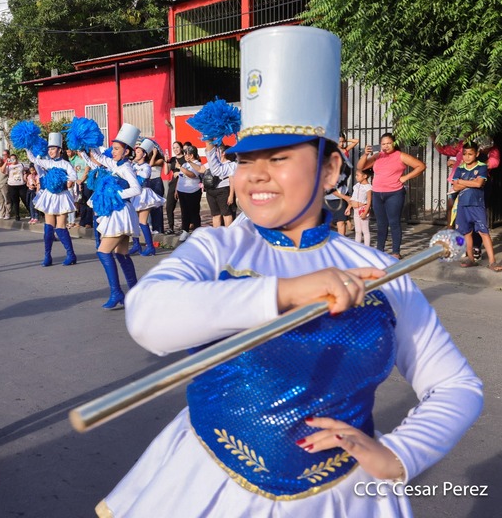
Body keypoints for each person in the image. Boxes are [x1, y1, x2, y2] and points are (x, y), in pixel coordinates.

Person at [98, 26, 482, 518]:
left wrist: (402, 453)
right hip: (209, 483)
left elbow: (455, 386)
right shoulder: (215, 248)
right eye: (244, 160)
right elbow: (148, 318)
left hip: (341, 497)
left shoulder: (381, 272)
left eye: (278, 158)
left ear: (329, 170)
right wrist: (284, 292)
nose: (255, 174)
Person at [80, 123, 142, 310]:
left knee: (103, 251)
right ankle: (135, 292)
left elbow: (136, 189)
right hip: (119, 213)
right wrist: (87, 142)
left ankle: (117, 292)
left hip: (120, 213)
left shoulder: (126, 168)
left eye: (116, 149)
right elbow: (98, 157)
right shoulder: (116, 164)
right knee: (121, 253)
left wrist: (114, 194)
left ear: (126, 152)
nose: (113, 151)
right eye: (113, 148)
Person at [357, 133, 426, 259]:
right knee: (381, 224)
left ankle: (395, 252)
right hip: (378, 193)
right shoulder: (378, 156)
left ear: (394, 143)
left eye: (389, 143)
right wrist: (366, 154)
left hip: (394, 193)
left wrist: (406, 177)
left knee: (394, 222)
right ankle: (379, 251)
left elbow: (421, 166)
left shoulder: (400, 155)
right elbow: (361, 167)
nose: (386, 146)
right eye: (383, 144)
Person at [25, 132, 78, 266]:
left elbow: (73, 176)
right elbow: (32, 158)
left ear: (59, 150)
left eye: (53, 148)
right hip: (49, 197)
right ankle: (47, 255)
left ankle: (71, 255)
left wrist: (68, 182)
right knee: (48, 227)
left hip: (62, 197)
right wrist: (26, 144)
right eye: (49, 149)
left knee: (60, 228)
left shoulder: (66, 164)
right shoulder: (47, 162)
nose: (50, 151)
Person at [452, 141, 500, 270]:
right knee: (467, 233)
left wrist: (462, 181)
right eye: (465, 154)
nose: (467, 157)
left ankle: (492, 262)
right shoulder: (460, 168)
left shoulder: (481, 167)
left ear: (477, 154)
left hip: (477, 205)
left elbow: (479, 184)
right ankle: (471, 259)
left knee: (483, 232)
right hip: (462, 205)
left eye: (470, 154)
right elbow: (455, 186)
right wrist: (470, 182)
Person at [128, 138, 165, 256]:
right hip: (134, 194)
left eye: (138, 152)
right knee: (134, 221)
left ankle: (150, 247)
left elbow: (141, 179)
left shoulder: (146, 167)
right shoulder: (132, 165)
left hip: (144, 194)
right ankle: (136, 244)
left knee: (143, 221)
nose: (136, 153)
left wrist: (132, 174)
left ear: (144, 154)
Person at [204, 143, 237, 228]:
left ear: (223, 153)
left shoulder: (230, 165)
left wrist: (231, 195)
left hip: (224, 191)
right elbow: (201, 169)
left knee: (226, 214)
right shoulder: (215, 164)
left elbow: (232, 180)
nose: (217, 152)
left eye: (218, 150)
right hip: (212, 191)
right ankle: (217, 236)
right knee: (215, 214)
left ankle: (228, 235)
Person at [176, 144, 203, 242]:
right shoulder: (184, 164)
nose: (184, 156)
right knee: (184, 212)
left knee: (194, 213)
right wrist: (176, 189)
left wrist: (180, 167)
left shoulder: (197, 164)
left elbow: (192, 175)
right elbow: (180, 176)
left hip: (193, 191)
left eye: (186, 154)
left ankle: (197, 232)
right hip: (181, 190)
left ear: (191, 155)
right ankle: (185, 231)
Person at [163, 141, 184, 234]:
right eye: (174, 148)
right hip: (173, 184)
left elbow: (189, 171)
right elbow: (166, 172)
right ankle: (170, 227)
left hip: (183, 184)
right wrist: (166, 161)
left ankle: (185, 228)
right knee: (169, 206)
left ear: (181, 148)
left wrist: (179, 171)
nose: (175, 149)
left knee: (184, 207)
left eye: (177, 147)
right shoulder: (172, 159)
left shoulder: (185, 159)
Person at [5, 152, 27, 221]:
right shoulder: (8, 167)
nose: (13, 160)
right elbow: (3, 171)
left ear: (16, 159)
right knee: (15, 201)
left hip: (21, 185)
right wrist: (6, 162)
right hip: (12, 185)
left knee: (25, 199)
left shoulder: (21, 165)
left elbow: (28, 169)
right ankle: (17, 215)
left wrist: (25, 174)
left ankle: (32, 213)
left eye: (14, 159)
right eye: (11, 159)